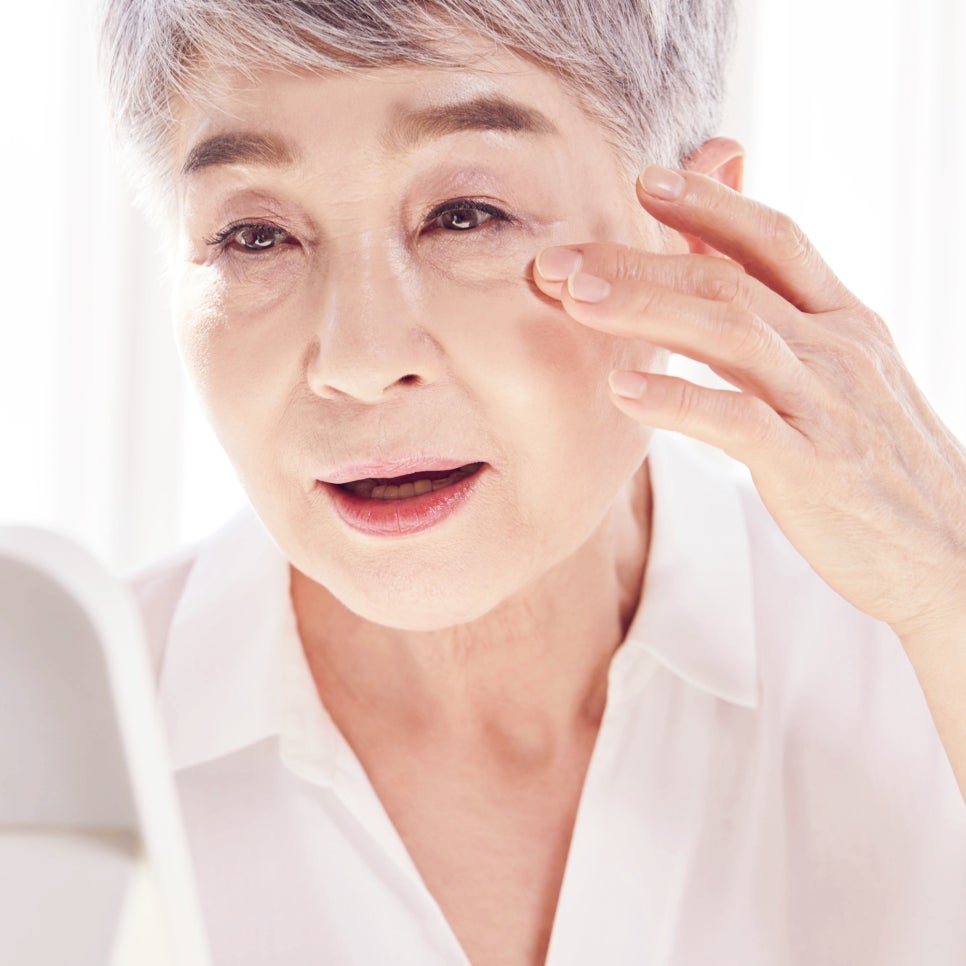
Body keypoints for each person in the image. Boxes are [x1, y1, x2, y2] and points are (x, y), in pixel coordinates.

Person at [100, 1, 966, 963]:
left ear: (696, 237)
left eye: (465, 216)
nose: (360, 360)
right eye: (255, 236)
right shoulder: (53, 738)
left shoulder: (916, 661)